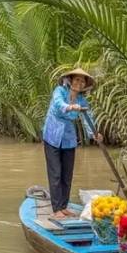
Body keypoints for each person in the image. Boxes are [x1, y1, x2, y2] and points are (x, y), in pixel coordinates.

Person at [42, 68, 103, 220]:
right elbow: (58, 104)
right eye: (76, 80)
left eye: (82, 81)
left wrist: (94, 134)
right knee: (55, 173)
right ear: (70, 81)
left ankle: (64, 206)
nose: (79, 83)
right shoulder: (60, 91)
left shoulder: (82, 101)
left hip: (68, 138)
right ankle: (56, 209)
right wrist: (69, 106)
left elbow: (88, 117)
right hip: (52, 136)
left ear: (84, 85)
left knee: (67, 175)